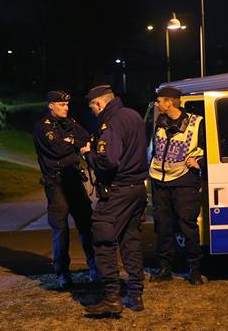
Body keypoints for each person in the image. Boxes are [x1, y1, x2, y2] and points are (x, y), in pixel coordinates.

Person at [80, 85, 148, 314]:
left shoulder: (111, 122)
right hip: (137, 188)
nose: (93, 113)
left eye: (92, 108)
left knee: (102, 239)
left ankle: (111, 298)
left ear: (99, 103)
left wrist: (88, 154)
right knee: (131, 240)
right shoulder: (133, 115)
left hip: (118, 190)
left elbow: (107, 161)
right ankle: (135, 295)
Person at [32, 90, 98, 290]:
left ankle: (94, 268)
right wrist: (74, 143)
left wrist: (72, 142)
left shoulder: (69, 122)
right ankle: (63, 274)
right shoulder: (43, 127)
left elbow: (86, 137)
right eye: (61, 105)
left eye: (67, 105)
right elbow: (57, 150)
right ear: (51, 105)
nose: (66, 108)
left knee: (86, 224)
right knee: (60, 229)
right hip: (56, 183)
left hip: (73, 180)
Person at [149, 86, 206, 285]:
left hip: (184, 181)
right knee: (163, 225)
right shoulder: (160, 122)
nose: (157, 104)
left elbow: (212, 149)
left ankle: (194, 269)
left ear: (169, 102)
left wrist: (201, 162)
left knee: (187, 225)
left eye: (159, 101)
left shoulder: (197, 123)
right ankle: (164, 267)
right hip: (160, 180)